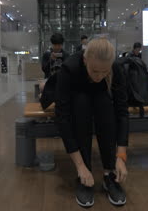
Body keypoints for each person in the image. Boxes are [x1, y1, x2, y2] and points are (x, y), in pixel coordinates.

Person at [55, 38, 129, 208]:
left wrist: (121, 156)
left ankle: (109, 173)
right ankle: (84, 175)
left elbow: (122, 111)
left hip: (100, 99)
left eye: (105, 72)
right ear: (85, 60)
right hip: (77, 101)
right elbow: (63, 118)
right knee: (81, 105)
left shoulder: (116, 69)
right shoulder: (69, 68)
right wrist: (80, 166)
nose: (99, 76)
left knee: (105, 105)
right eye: (95, 71)